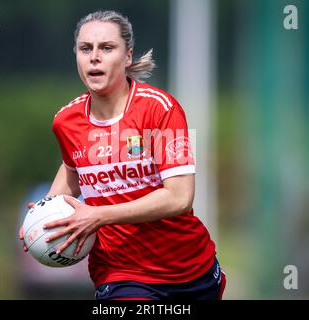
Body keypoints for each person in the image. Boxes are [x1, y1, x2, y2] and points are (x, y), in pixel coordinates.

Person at [19, 10, 226, 300]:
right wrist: (43, 221)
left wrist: (97, 215)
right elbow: (72, 172)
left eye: (106, 48)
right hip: (119, 274)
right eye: (85, 49)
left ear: (127, 56)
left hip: (191, 271)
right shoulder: (66, 121)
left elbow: (179, 198)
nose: (94, 57)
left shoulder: (161, 109)